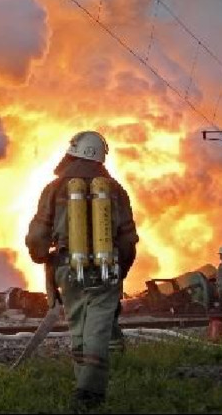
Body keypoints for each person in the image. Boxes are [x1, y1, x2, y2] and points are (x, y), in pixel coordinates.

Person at [25, 131, 139, 412]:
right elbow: (127, 239)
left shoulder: (54, 188)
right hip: (107, 267)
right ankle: (89, 391)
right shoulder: (115, 190)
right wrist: (121, 270)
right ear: (101, 158)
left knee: (77, 324)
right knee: (98, 327)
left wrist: (42, 257)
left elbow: (37, 235)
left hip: (68, 266)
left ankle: (83, 387)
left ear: (72, 152)